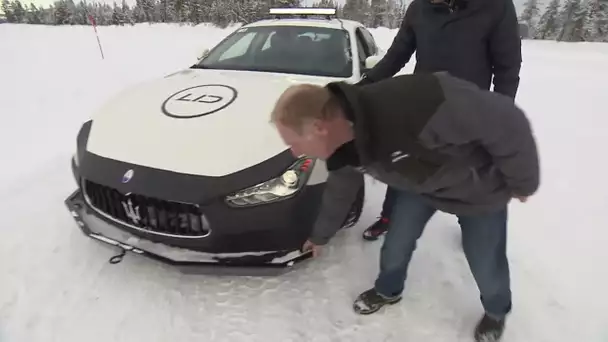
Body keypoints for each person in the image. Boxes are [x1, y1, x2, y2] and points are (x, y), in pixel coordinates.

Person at [269, 72, 539, 341]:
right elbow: (340, 192)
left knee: (486, 262)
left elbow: (508, 121)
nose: (295, 152)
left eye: (294, 143)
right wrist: (320, 236)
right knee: (396, 243)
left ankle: (496, 312)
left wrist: (523, 182)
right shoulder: (343, 147)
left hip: (478, 190)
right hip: (419, 187)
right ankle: (388, 290)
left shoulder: (420, 103)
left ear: (319, 127)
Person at [358, 0, 523, 241]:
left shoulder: (495, 7)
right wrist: (364, 86)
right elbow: (396, 56)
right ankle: (389, 218)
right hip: (423, 108)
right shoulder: (419, 8)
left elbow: (507, 68)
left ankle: (471, 226)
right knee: (404, 165)